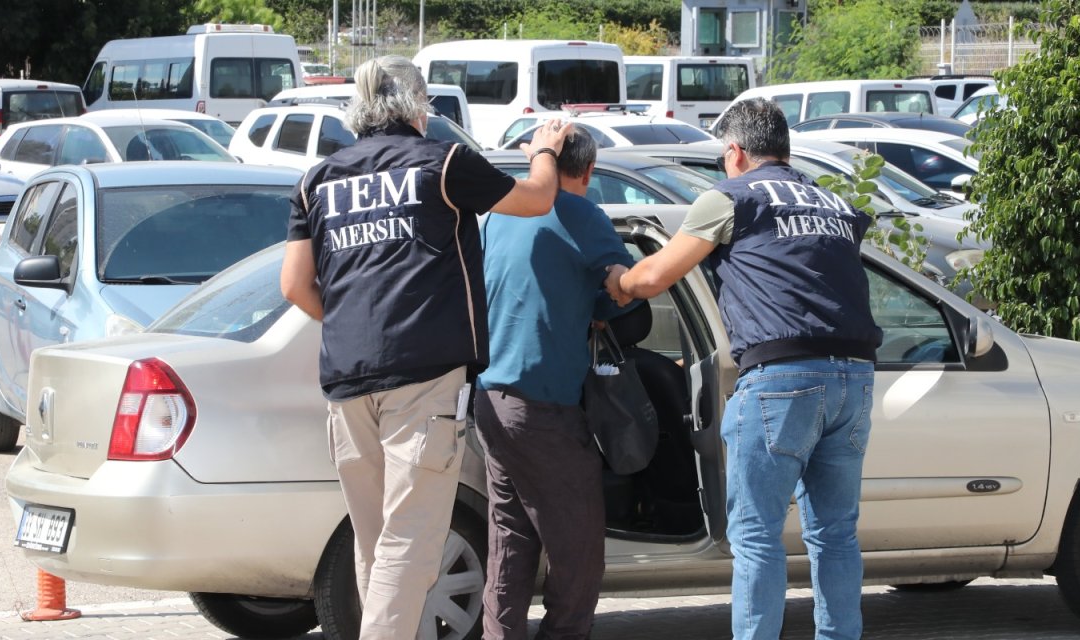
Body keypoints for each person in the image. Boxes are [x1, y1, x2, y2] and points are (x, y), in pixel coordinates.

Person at [280, 55, 575, 640]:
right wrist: (545, 147)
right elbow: (539, 198)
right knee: (410, 543)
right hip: (420, 378)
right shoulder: (441, 162)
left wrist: (348, 326)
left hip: (345, 381)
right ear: (420, 109)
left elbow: (293, 285)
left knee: (379, 544)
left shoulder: (317, 180)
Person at [606, 97, 882, 640]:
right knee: (835, 535)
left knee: (756, 535)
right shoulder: (831, 201)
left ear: (734, 152)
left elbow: (654, 278)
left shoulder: (731, 197)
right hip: (854, 378)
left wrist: (616, 280)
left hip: (782, 380)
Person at [472, 130, 632, 640]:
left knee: (512, 541)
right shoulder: (583, 216)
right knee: (579, 553)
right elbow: (623, 296)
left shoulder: (499, 215)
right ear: (588, 171)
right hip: (543, 407)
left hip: (491, 401)